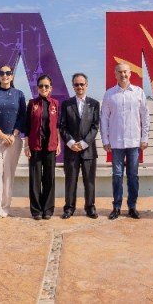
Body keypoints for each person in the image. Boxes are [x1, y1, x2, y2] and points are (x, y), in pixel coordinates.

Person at [101, 62, 150, 220]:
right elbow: (104, 119)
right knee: (117, 175)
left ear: (130, 74)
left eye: (125, 72)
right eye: (119, 72)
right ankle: (116, 207)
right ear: (115, 74)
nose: (123, 75)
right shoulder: (109, 94)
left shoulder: (138, 92)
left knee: (133, 175)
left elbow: (145, 116)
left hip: (134, 142)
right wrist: (105, 139)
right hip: (116, 143)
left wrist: (145, 138)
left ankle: (132, 207)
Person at [0, 65, 27, 222]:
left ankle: (5, 207)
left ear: (12, 76)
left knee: (8, 175)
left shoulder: (19, 94)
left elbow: (23, 117)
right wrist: (2, 135)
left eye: (8, 73)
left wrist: (13, 134)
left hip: (13, 139)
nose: (5, 75)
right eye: (1, 73)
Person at [58, 73, 101, 219]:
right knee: (70, 180)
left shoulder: (94, 104)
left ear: (86, 85)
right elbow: (62, 127)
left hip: (88, 150)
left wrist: (83, 143)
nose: (79, 87)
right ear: (73, 86)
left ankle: (90, 207)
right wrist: (70, 143)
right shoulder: (66, 104)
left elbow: (95, 127)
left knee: (89, 180)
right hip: (71, 150)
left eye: (82, 84)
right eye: (76, 84)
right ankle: (69, 208)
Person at [24, 75, 61, 220]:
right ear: (37, 88)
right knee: (35, 178)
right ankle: (36, 210)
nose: (43, 88)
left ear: (51, 88)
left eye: (46, 86)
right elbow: (27, 126)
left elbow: (58, 126)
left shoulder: (55, 104)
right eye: (41, 86)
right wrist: (26, 145)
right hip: (35, 145)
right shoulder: (32, 103)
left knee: (49, 178)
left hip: (50, 145)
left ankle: (48, 209)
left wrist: (58, 143)